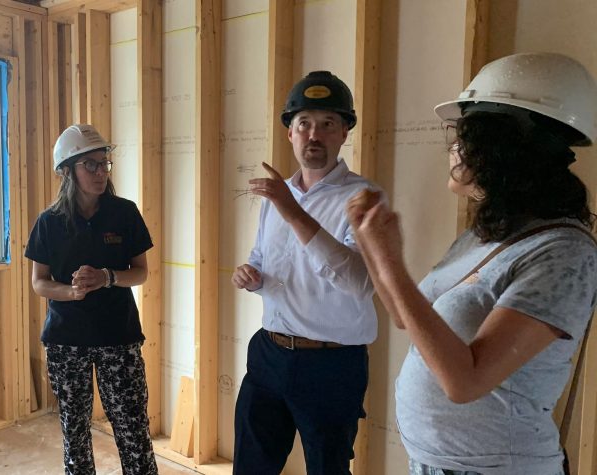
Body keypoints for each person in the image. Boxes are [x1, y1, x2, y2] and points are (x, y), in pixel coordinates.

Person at [347, 52, 597, 475]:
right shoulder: (489, 235)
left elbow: (466, 383)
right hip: (435, 463)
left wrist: (390, 261)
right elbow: (409, 319)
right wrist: (373, 247)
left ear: (504, 152)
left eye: (467, 137)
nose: (455, 149)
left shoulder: (564, 253)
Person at [231, 71, 381, 475]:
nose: (314, 134)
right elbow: (262, 256)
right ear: (290, 134)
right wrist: (252, 274)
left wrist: (291, 208)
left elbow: (359, 282)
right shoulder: (279, 195)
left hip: (331, 366)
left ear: (344, 133)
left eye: (328, 124)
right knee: (250, 466)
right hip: (268, 354)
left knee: (327, 469)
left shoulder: (363, 198)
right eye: (304, 124)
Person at [25, 124, 158, 475]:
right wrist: (71, 293)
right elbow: (39, 282)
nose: (101, 173)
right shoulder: (49, 222)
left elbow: (141, 272)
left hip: (119, 338)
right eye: (91, 165)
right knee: (75, 431)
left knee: (132, 430)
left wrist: (107, 277)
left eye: (105, 164)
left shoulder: (124, 212)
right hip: (66, 341)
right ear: (67, 171)